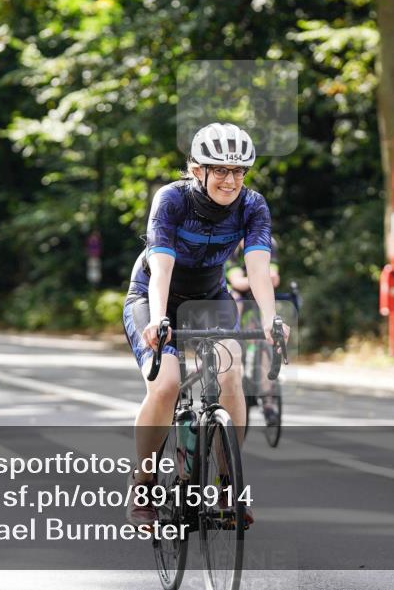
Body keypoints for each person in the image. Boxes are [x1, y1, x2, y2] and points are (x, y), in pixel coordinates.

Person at [122, 122, 287, 527]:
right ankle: (142, 485)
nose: (230, 180)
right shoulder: (172, 200)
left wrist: (270, 319)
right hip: (154, 295)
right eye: (220, 170)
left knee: (231, 373)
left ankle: (229, 485)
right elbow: (160, 269)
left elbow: (258, 268)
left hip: (210, 297)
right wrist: (159, 319)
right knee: (166, 384)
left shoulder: (253, 205)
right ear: (198, 170)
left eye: (238, 172)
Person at [226, 238, 281, 425]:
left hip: (259, 295)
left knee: (266, 341)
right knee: (234, 299)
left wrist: (264, 279)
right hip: (234, 296)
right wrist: (260, 278)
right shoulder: (230, 244)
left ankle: (268, 400)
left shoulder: (269, 243)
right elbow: (237, 282)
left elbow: (274, 276)